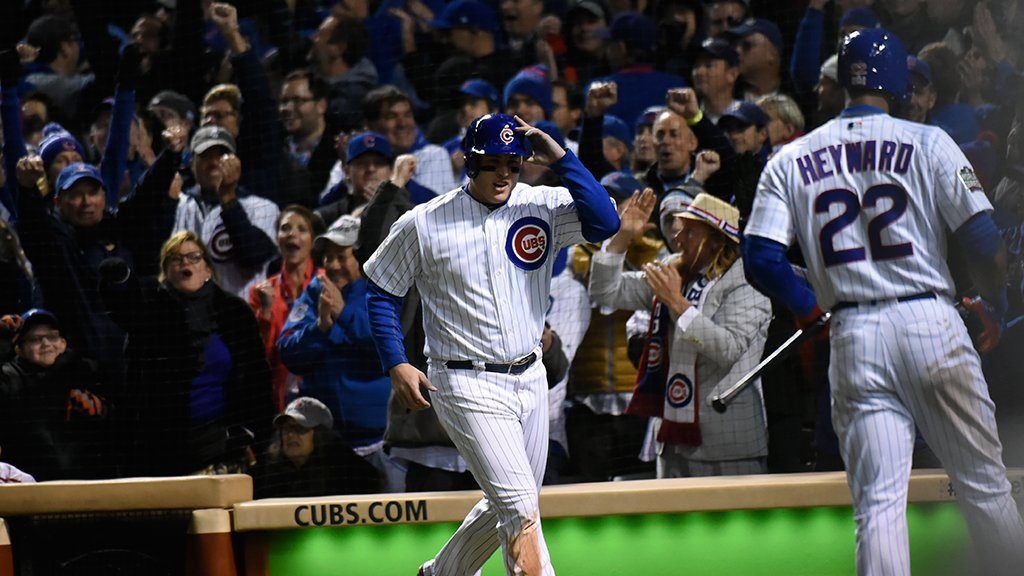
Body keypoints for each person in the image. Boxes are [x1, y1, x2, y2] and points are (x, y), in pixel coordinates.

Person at [742, 28, 1024, 576]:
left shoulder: (791, 157)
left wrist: (809, 308)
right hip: (930, 321)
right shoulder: (928, 140)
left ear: (839, 85)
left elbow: (761, 259)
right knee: (985, 485)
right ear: (898, 81)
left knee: (877, 507)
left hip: (854, 334)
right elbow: (985, 243)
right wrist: (991, 300)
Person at [363, 113, 619, 575]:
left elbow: (605, 221)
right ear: (469, 162)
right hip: (463, 379)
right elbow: (382, 290)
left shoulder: (542, 204)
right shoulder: (424, 221)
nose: (504, 173)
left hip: (530, 375)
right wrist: (395, 362)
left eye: (514, 163)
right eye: (493, 163)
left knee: (513, 502)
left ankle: (441, 573)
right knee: (522, 512)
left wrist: (559, 155)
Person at [591, 190, 770, 476]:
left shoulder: (747, 282)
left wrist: (677, 303)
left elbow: (728, 349)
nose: (677, 237)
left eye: (689, 231)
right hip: (672, 440)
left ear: (715, 239)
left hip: (728, 443)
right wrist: (621, 237)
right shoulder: (675, 270)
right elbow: (605, 292)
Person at [100, 231, 272, 476]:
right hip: (165, 446)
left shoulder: (235, 313)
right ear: (165, 270)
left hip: (222, 442)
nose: (186, 264)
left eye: (194, 257)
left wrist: (254, 433)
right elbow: (125, 306)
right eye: (176, 259)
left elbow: (258, 380)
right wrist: (119, 281)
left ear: (208, 269)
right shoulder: (150, 312)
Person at [278, 215, 402, 491]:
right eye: (328, 257)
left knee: (393, 528)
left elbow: (389, 347)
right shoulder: (315, 292)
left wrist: (344, 314)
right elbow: (287, 352)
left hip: (384, 443)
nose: (332, 265)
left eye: (341, 256)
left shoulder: (383, 289)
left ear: (361, 256)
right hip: (331, 446)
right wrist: (320, 328)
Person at [0, 309, 111, 481]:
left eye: (51, 337)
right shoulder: (9, 378)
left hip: (87, 482)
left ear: (63, 343)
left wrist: (102, 410)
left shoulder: (86, 371)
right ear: (19, 349)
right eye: (35, 339)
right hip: (30, 486)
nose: (45, 343)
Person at [249, 206, 323, 411]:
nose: (292, 234)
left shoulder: (327, 283)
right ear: (277, 239)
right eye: (286, 228)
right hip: (278, 395)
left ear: (313, 240)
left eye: (302, 229)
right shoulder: (261, 293)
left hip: (322, 384)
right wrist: (264, 311)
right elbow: (259, 355)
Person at [252, 396, 380, 498]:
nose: (290, 435)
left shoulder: (350, 473)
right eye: (286, 429)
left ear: (321, 434)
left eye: (300, 428)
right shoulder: (267, 475)